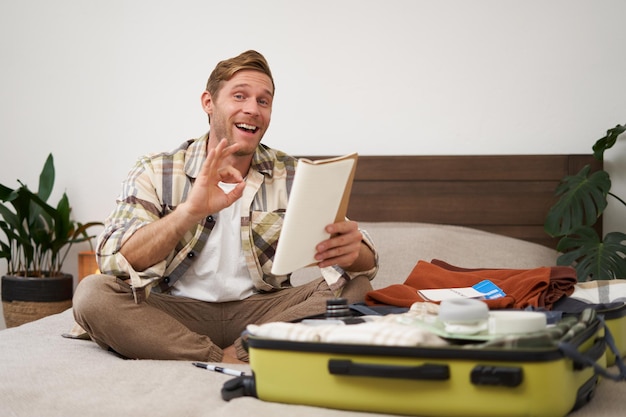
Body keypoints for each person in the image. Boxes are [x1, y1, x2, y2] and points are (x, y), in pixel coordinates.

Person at [72, 50, 378, 363]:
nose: (253, 109)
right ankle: (226, 358)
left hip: (263, 312)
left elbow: (364, 261)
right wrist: (188, 211)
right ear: (209, 102)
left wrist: (354, 251)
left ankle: (239, 350)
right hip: (175, 312)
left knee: (356, 289)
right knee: (92, 295)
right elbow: (113, 258)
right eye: (240, 96)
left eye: (263, 101)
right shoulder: (155, 169)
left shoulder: (292, 173)